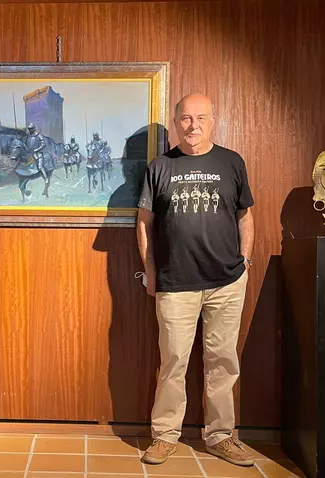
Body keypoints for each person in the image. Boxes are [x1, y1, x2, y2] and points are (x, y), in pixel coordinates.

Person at [137, 94, 255, 467]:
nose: (193, 125)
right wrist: (151, 270)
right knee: (173, 361)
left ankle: (220, 436)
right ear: (176, 122)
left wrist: (245, 261)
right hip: (175, 282)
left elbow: (245, 216)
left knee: (223, 361)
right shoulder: (160, 167)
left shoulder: (232, 162)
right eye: (186, 118)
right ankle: (164, 435)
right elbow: (144, 223)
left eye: (201, 117)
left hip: (227, 282)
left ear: (212, 120)